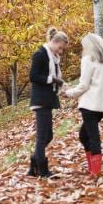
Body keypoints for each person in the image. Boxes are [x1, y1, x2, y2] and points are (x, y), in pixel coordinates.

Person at [63, 33, 103, 176]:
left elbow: (84, 85)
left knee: (92, 137)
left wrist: (69, 93)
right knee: (83, 135)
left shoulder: (88, 59)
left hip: (90, 105)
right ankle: (92, 168)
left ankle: (96, 171)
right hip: (101, 106)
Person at [28, 27, 69, 178]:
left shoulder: (54, 58)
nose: (61, 51)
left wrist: (60, 84)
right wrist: (53, 80)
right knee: (42, 137)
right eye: (60, 47)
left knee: (48, 136)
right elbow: (33, 76)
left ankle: (34, 165)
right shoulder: (40, 54)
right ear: (53, 41)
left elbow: (55, 78)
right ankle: (42, 171)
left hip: (48, 99)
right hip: (41, 99)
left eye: (62, 49)